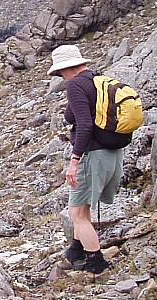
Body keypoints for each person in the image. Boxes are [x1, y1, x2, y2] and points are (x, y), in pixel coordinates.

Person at [47, 44, 125, 275]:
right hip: (111, 151)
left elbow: (84, 125)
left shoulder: (76, 85)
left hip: (92, 155)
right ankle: (76, 250)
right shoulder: (97, 79)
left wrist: (74, 161)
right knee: (84, 208)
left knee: (76, 214)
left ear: (64, 68)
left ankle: (97, 264)